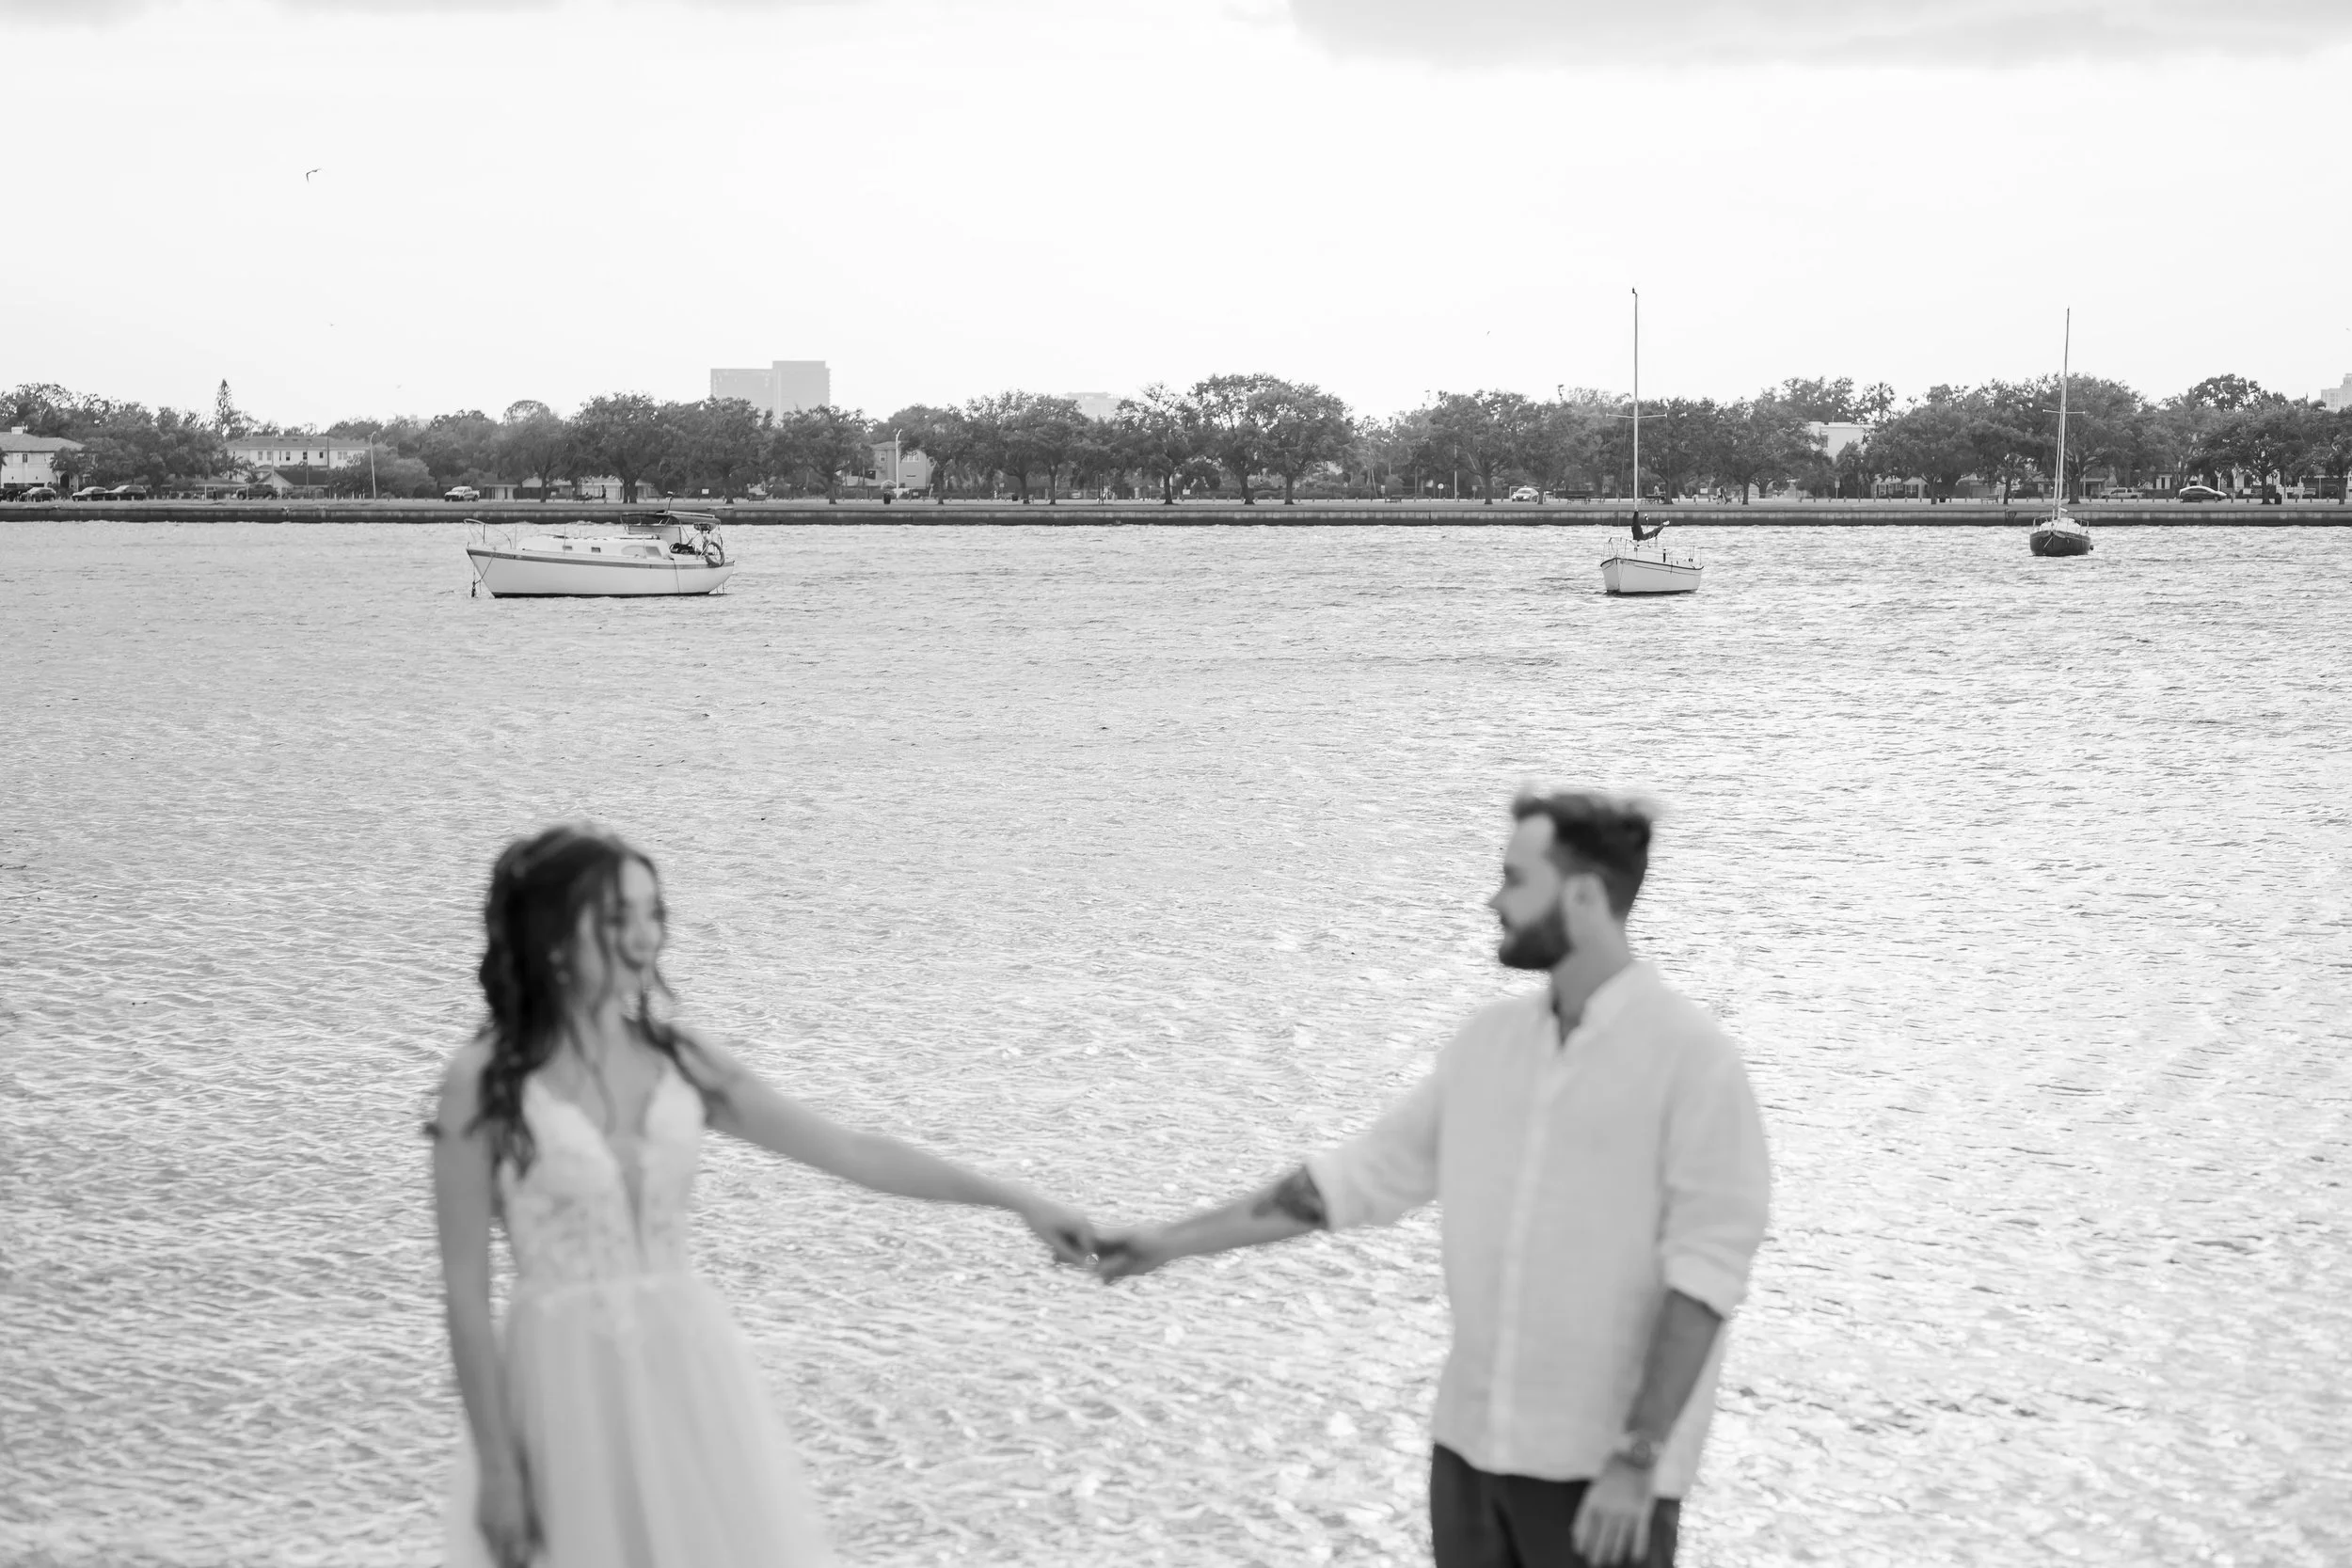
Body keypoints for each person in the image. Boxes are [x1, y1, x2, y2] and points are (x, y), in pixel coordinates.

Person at [1095, 791, 1771, 1568]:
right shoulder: (1488, 1046)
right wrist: (1162, 1244)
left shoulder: (1693, 1060)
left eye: (1516, 879)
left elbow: (1706, 1280)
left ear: (1583, 894)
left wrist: (1637, 1458)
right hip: (1468, 1458)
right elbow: (1347, 1183)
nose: (1494, 899)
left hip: (1600, 1480)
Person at [430, 824, 1096, 1568]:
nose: (644, 936)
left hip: (685, 1370)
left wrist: (1015, 1198)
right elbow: (464, 1291)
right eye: (617, 916)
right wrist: (497, 1464)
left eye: (654, 913)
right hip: (557, 1385)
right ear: (553, 932)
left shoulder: (680, 1058)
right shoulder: (484, 1080)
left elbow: (850, 1151)